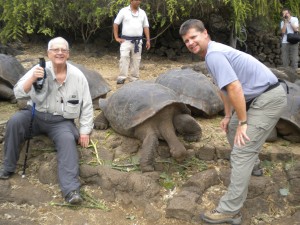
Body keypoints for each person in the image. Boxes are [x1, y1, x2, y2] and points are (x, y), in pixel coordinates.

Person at [179, 19, 287, 224]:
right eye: (186, 41)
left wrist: (244, 122)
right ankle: (253, 166)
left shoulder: (214, 54)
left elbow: (235, 87)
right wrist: (228, 117)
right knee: (232, 130)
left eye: (193, 37)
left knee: (241, 150)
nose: (190, 43)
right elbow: (224, 89)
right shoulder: (210, 55)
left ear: (205, 34)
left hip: (268, 98)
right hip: (253, 98)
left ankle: (230, 211)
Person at [0, 37, 94, 205]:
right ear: (48, 53)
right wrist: (32, 79)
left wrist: (85, 131)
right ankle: (7, 167)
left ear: (68, 54)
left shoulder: (78, 76)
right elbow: (18, 93)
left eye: (63, 50)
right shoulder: (38, 69)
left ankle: (71, 190)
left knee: (67, 140)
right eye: (55, 50)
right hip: (34, 115)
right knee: (14, 121)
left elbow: (87, 105)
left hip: (61, 122)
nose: (59, 53)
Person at [113, 0, 151, 84]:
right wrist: (116, 37)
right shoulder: (123, 11)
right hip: (125, 40)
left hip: (138, 41)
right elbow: (116, 23)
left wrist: (148, 40)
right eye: (136, 0)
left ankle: (134, 78)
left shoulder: (142, 13)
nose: (138, 2)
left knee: (136, 60)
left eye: (139, 0)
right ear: (131, 1)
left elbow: (146, 27)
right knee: (124, 58)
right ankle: (122, 77)